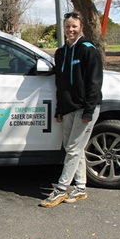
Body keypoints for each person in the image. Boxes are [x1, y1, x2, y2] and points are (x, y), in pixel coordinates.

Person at [40, 12, 103, 208]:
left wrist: (88, 111)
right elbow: (61, 84)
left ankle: (60, 190)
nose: (71, 30)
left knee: (74, 149)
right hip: (67, 108)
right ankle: (81, 188)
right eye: (67, 26)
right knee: (73, 149)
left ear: (81, 27)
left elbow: (94, 83)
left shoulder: (88, 50)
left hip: (85, 109)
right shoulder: (61, 53)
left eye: (74, 26)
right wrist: (59, 108)